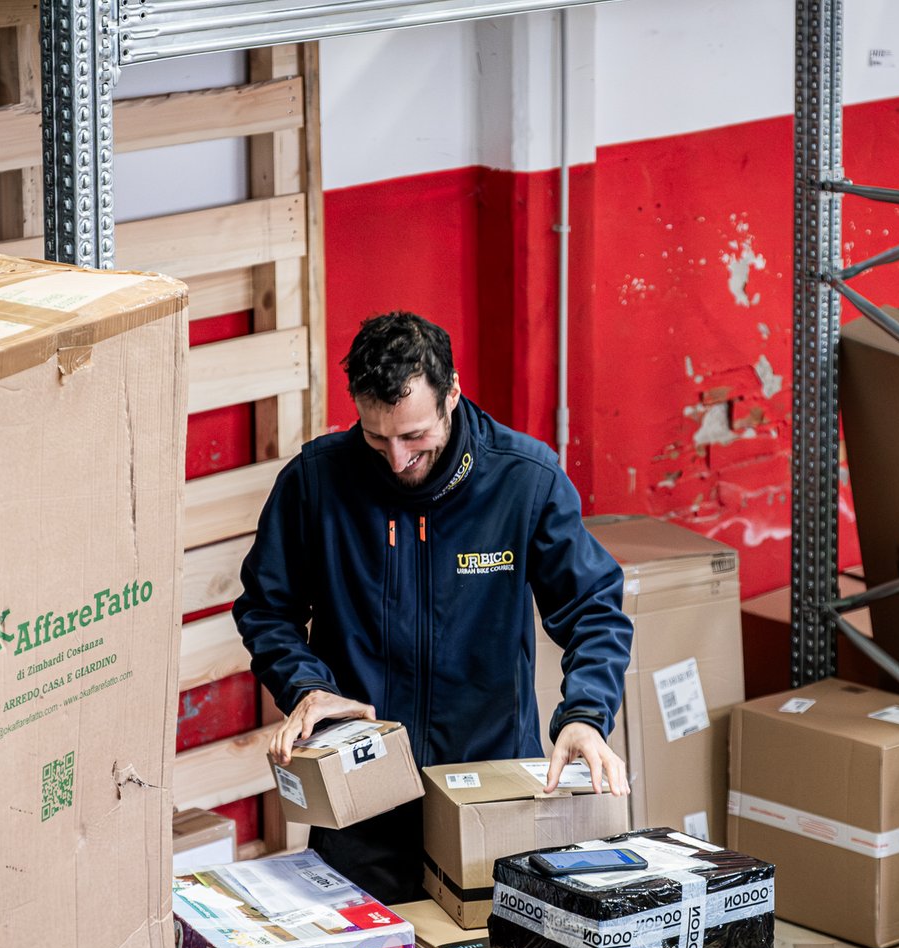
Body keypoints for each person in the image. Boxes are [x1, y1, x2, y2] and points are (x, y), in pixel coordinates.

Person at [233, 311, 633, 902]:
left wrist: (585, 715)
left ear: (452, 395)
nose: (396, 459)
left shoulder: (525, 480)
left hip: (489, 791)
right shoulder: (315, 483)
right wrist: (306, 687)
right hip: (360, 794)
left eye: (414, 437)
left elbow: (594, 607)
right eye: (377, 438)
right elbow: (266, 609)